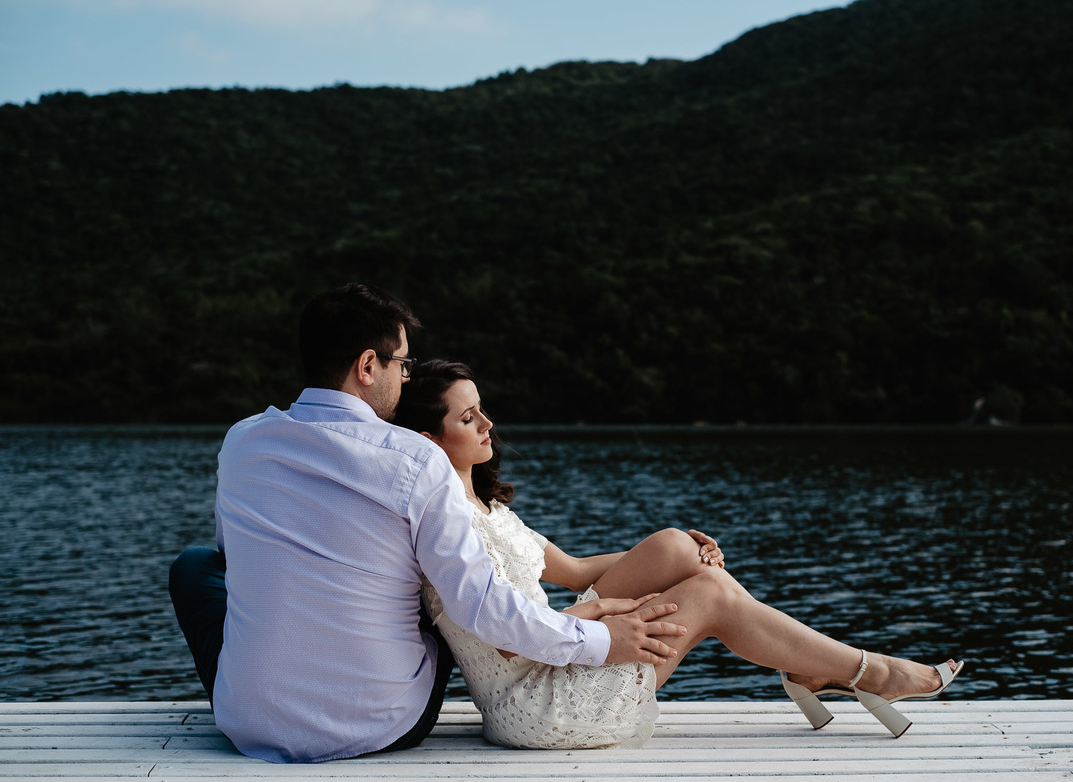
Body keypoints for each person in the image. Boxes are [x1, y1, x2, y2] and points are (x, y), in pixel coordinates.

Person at [168, 283, 686, 763]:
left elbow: (234, 559)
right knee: (426, 586)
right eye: (402, 363)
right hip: (384, 722)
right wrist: (600, 641)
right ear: (368, 366)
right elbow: (481, 605)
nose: (406, 376)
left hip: (249, 722)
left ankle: (269, 681)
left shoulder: (243, 443)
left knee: (195, 567)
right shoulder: (415, 459)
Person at [390, 359, 965, 748]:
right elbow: (504, 638)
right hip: (539, 699)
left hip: (561, 649)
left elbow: (574, 572)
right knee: (710, 594)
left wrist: (683, 550)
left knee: (673, 544)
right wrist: (599, 614)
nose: (488, 424)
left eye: (482, 409)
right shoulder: (448, 526)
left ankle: (814, 668)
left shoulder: (485, 505)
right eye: (468, 419)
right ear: (427, 439)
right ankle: (869, 672)